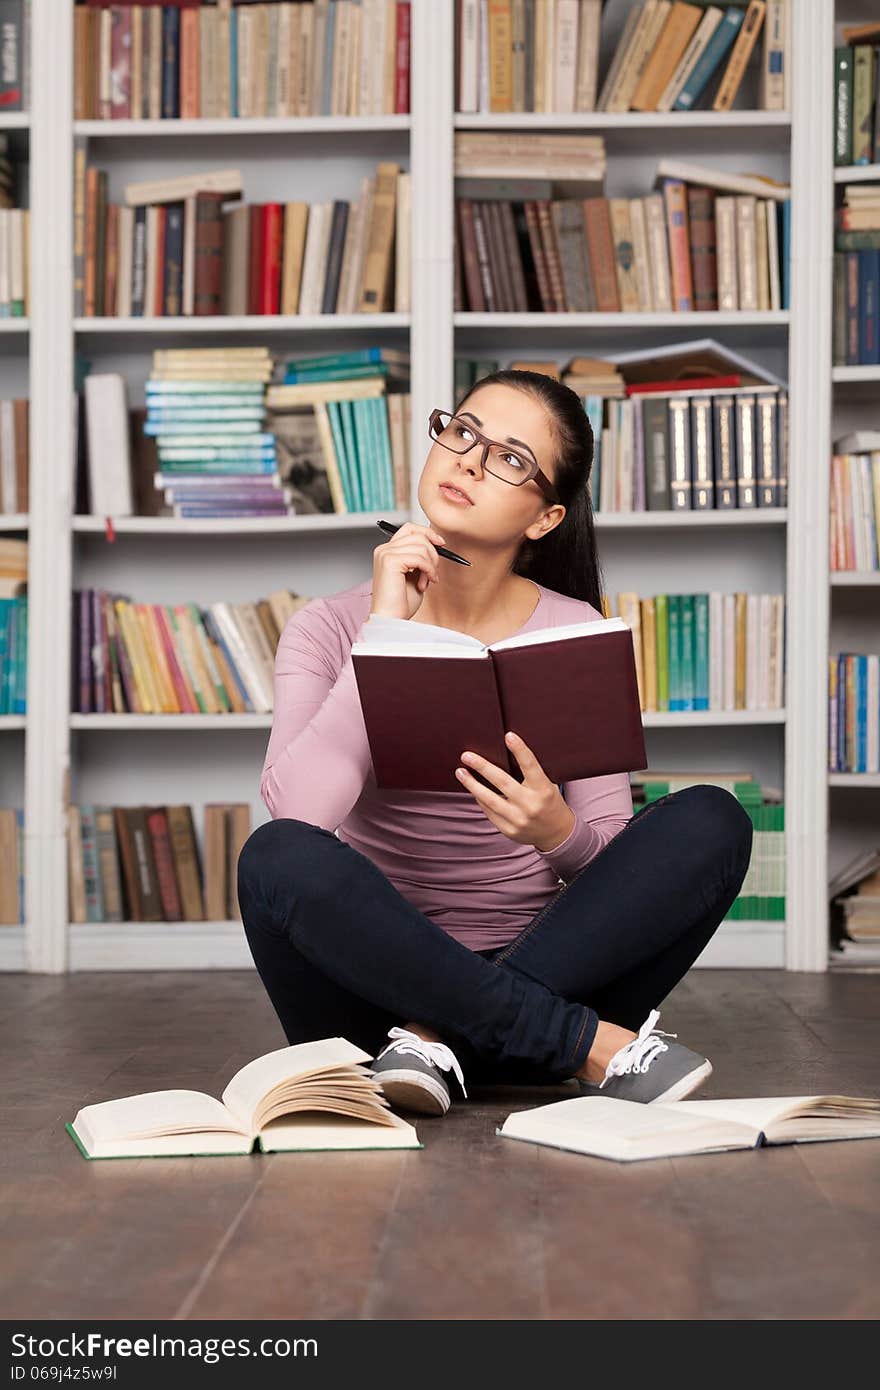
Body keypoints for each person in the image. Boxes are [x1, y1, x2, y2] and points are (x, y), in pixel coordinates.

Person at [237, 370, 753, 1117]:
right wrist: (386, 632)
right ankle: (579, 1046)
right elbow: (302, 815)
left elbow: (612, 859)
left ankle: (441, 1039)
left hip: (552, 966)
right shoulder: (327, 628)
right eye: (464, 432)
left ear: (543, 519)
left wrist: (558, 835)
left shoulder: (573, 629)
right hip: (366, 991)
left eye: (510, 458)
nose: (470, 460)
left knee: (713, 819)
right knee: (273, 855)